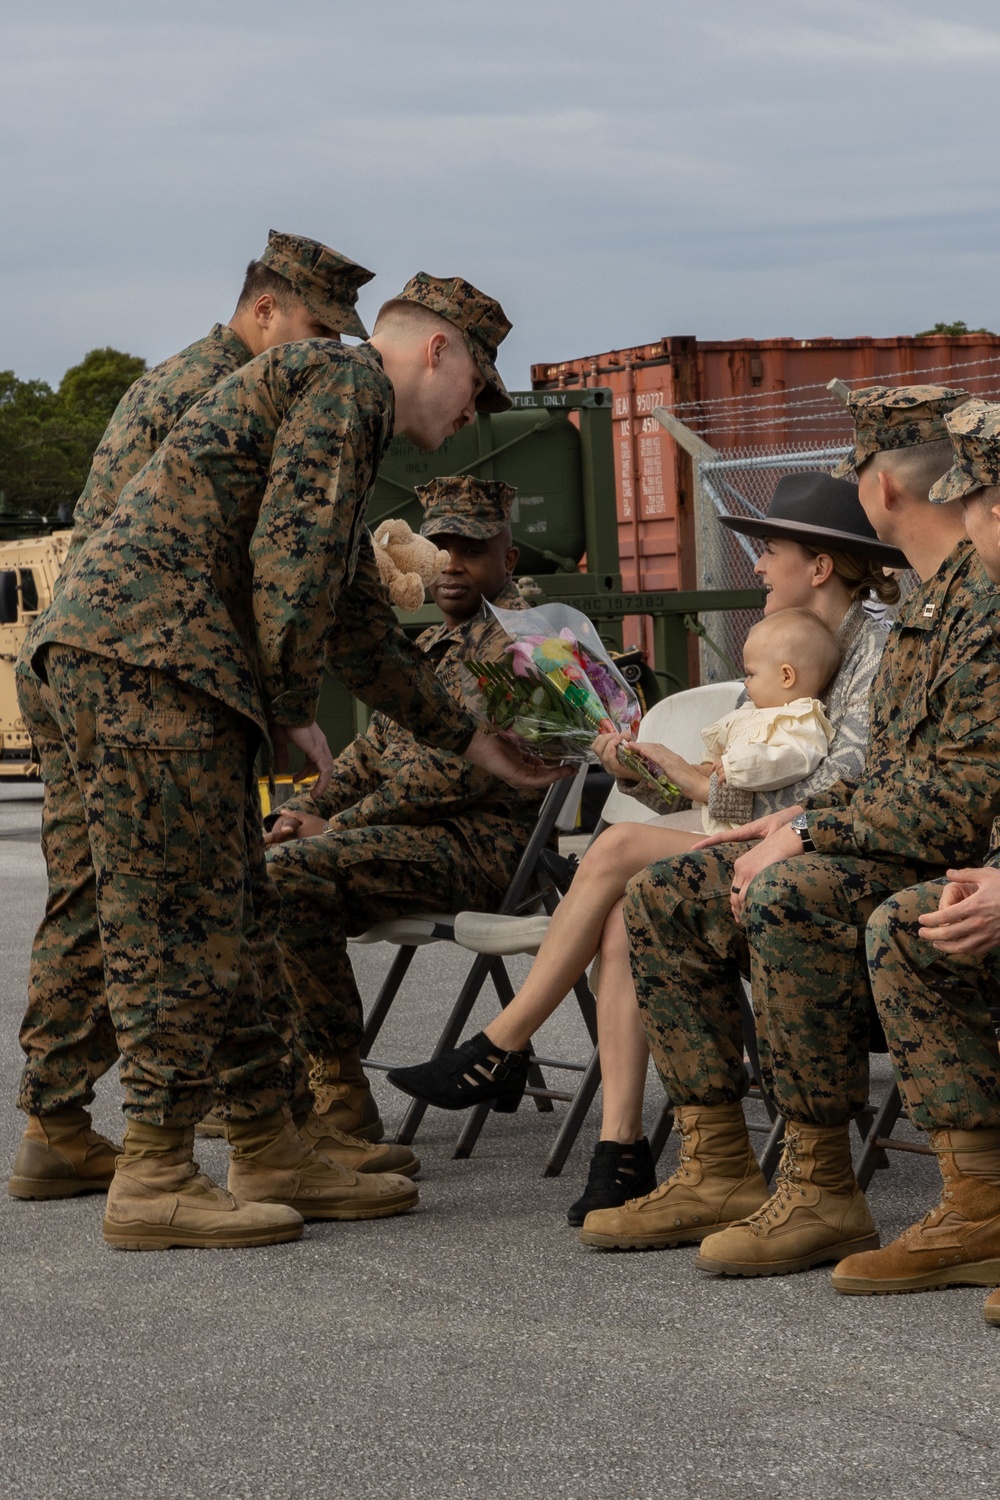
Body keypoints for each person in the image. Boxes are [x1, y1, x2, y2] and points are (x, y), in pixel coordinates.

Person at [15, 272, 565, 1252]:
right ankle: (156, 1173)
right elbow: (292, 558)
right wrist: (285, 710)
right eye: (475, 391)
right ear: (436, 352)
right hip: (150, 660)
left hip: (159, 659)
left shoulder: (328, 411)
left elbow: (357, 615)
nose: (468, 420)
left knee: (229, 904)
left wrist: (472, 736)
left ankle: (269, 1143)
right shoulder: (345, 387)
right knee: (171, 921)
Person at [386, 472, 903, 1223]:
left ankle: (501, 1046)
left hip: (826, 863)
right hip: (744, 849)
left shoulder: (874, 657)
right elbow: (726, 786)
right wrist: (644, 769)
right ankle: (620, 1149)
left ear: (820, 567)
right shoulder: (784, 646)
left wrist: (693, 791)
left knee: (622, 845)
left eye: (769, 552)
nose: (755, 567)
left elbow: (827, 796)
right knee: (627, 909)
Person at [583, 383, 1000, 1272]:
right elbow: (897, 780)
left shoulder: (975, 605)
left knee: (790, 892)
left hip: (949, 861)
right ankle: (720, 1165)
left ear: (880, 490)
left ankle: (820, 1185)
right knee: (665, 892)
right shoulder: (929, 608)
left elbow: (959, 802)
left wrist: (808, 837)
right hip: (904, 845)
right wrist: (797, 816)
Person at [10, 229, 375, 1204]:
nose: (327, 355)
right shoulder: (209, 389)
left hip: (100, 661)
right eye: (313, 330)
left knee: (144, 889)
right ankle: (72, 1123)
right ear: (263, 313)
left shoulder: (218, 384)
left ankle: (229, 1120)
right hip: (122, 666)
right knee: (125, 895)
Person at [262, 475, 545, 1167]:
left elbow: (460, 771)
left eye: (471, 549)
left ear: (508, 558)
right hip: (413, 838)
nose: (451, 563)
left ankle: (337, 1091)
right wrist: (305, 808)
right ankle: (281, 1080)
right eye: (440, 545)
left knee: (289, 877)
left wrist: (338, 830)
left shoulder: (524, 644)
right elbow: (372, 752)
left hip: (488, 847)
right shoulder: (441, 646)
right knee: (257, 863)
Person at [828, 399, 1000, 1328]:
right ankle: (978, 1208)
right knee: (915, 922)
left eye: (978, 503)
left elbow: (967, 786)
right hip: (945, 848)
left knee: (890, 912)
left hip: (933, 839)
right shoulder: (935, 606)